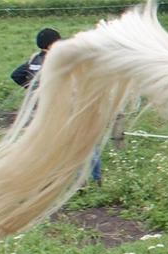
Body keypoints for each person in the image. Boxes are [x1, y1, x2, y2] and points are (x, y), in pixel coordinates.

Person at [11, 27, 102, 185]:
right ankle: (91, 180)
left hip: (43, 111)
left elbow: (17, 75)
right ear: (53, 44)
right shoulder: (58, 60)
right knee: (84, 142)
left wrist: (32, 89)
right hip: (66, 108)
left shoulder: (33, 60)